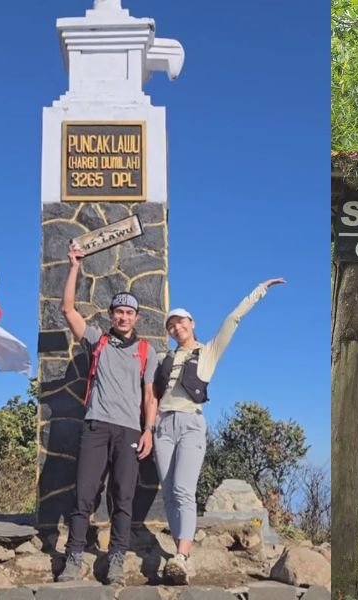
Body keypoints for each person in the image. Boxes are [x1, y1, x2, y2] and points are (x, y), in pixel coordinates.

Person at [152, 277, 285, 584]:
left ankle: (183, 556)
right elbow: (149, 390)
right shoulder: (165, 358)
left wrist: (260, 290)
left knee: (184, 490)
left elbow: (233, 318)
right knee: (170, 494)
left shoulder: (208, 351)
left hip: (190, 423)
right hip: (162, 425)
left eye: (180, 322)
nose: (176, 328)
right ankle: (178, 553)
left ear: (191, 322)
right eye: (171, 325)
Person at [56, 243, 159, 586]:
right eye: (119, 312)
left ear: (136, 318)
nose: (123, 317)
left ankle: (116, 559)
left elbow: (149, 395)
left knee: (124, 498)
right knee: (84, 494)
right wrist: (74, 267)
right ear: (112, 315)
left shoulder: (147, 351)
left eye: (129, 313)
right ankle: (73, 558)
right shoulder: (97, 339)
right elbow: (68, 308)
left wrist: (148, 430)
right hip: (97, 426)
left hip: (130, 432)